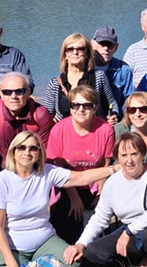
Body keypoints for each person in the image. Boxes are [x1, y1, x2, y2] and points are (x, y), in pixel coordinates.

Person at [0, 131, 118, 267]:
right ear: (13, 152)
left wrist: (114, 169)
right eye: (21, 148)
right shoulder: (1, 180)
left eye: (33, 149)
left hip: (43, 240)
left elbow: (81, 178)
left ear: (39, 153)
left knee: (74, 262)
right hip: (12, 247)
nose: (27, 153)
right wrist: (10, 262)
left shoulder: (47, 172)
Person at [66, 133, 147, 267]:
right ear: (117, 158)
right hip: (127, 230)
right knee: (93, 252)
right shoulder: (113, 182)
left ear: (143, 154)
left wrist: (129, 231)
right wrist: (81, 244)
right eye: (124, 155)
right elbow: (100, 218)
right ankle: (133, 266)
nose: (129, 161)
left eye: (134, 154)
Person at [45, 86, 115, 243]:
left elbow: (106, 164)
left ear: (95, 107)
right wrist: (74, 198)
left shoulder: (106, 129)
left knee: (97, 228)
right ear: (70, 108)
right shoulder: (59, 130)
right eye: (75, 105)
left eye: (87, 105)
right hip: (67, 184)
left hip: (95, 184)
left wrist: (101, 195)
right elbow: (59, 167)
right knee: (68, 226)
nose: (81, 109)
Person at [0, 72, 54, 189]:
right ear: (0, 94)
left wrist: (37, 184)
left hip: (33, 178)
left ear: (28, 93)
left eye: (19, 91)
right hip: (1, 176)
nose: (13, 96)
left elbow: (46, 154)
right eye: (7, 92)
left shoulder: (41, 115)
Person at [42, 33, 121, 123]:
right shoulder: (55, 83)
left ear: (87, 53)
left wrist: (114, 115)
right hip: (65, 132)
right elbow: (47, 113)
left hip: (94, 129)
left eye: (80, 49)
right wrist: (51, 121)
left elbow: (111, 102)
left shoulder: (99, 77)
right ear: (65, 55)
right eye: (70, 49)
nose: (75, 52)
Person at [93, 26, 134, 103]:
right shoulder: (83, 67)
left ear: (116, 47)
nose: (106, 48)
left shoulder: (124, 70)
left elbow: (129, 99)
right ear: (92, 44)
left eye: (110, 45)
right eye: (102, 44)